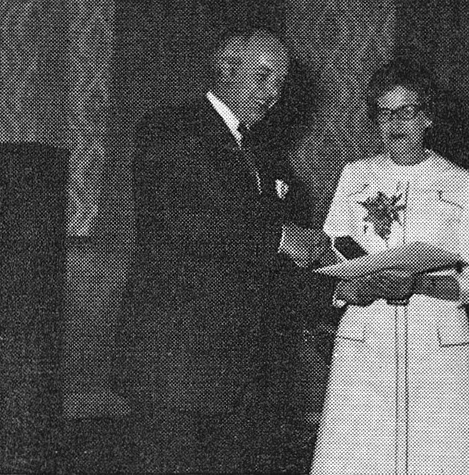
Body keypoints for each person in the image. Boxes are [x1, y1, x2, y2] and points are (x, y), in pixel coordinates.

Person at [120, 27, 328, 473]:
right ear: (228, 68)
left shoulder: (269, 158)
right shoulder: (170, 130)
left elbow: (274, 265)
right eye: (266, 76)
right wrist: (279, 238)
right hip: (177, 363)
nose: (274, 94)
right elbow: (184, 219)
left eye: (281, 82)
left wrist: (337, 284)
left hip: (248, 371)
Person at [310, 63, 469, 475]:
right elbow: (331, 254)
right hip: (366, 340)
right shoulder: (356, 175)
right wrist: (355, 285)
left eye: (407, 111)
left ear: (427, 117)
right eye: (385, 112)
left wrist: (421, 282)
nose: (396, 123)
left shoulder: (460, 182)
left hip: (437, 347)